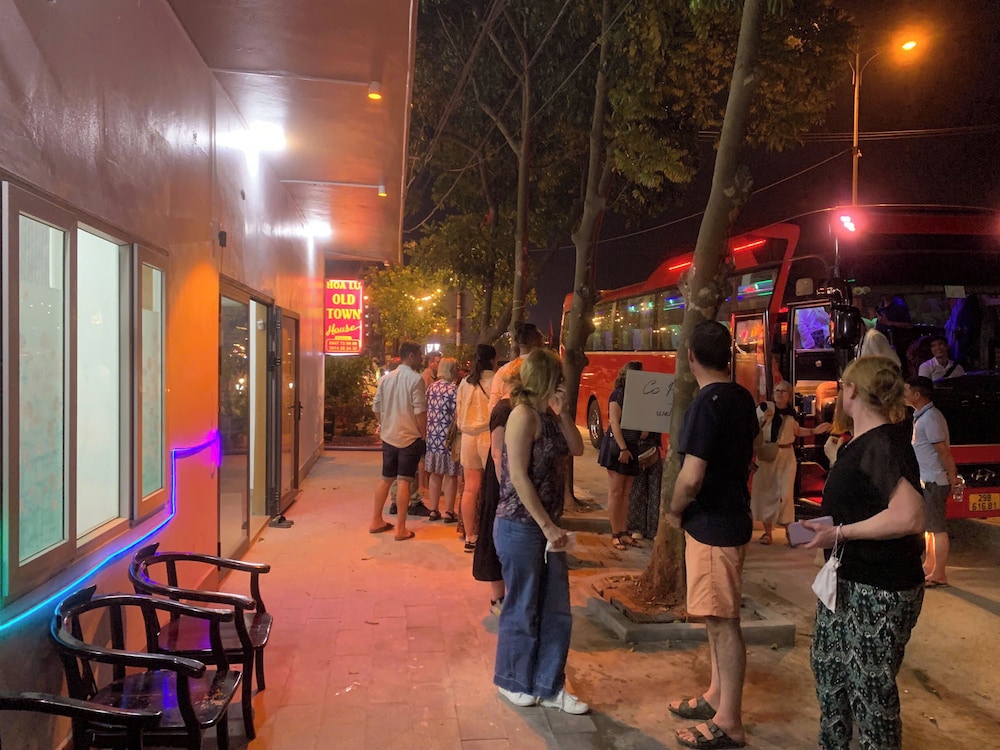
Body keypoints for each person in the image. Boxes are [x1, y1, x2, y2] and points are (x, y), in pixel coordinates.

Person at [803, 356, 926, 750]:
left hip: (879, 587)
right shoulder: (862, 443)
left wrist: (840, 533)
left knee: (871, 693)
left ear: (852, 390)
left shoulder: (883, 443)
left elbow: (909, 516)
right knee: (830, 672)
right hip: (848, 581)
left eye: (842, 386)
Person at [666, 321, 759, 750]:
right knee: (715, 616)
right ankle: (716, 696)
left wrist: (674, 510)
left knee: (723, 623)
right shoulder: (741, 398)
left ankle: (729, 721)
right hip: (733, 516)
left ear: (691, 357)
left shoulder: (705, 405)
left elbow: (691, 476)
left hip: (711, 525)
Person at [493, 348, 587, 714]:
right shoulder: (521, 415)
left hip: (549, 529)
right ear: (544, 379)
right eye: (558, 377)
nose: (563, 383)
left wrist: (563, 413)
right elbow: (518, 477)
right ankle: (512, 680)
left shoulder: (548, 415)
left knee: (556, 608)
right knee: (522, 606)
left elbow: (577, 448)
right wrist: (546, 525)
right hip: (520, 526)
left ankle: (550, 684)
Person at [751, 382, 831, 545]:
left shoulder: (791, 413)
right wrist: (764, 421)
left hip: (787, 455)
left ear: (789, 396)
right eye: (777, 390)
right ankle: (768, 532)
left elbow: (796, 431)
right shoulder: (765, 408)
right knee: (766, 493)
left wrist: (814, 431)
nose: (779, 393)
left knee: (786, 494)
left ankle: (790, 531)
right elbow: (752, 427)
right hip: (768, 455)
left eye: (783, 391)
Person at [904, 376, 959, 588]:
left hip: (935, 481)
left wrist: (953, 477)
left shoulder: (930, 418)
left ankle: (939, 574)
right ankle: (930, 566)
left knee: (937, 529)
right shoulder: (923, 416)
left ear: (917, 395)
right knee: (929, 528)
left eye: (906, 390)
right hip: (928, 480)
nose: (903, 394)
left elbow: (943, 452)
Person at [369, 341, 427, 541]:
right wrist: (423, 434)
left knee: (386, 478)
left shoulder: (386, 379)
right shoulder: (416, 379)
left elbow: (376, 407)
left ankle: (376, 520)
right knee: (404, 480)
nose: (421, 358)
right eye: (419, 355)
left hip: (389, 436)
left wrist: (383, 424)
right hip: (409, 437)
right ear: (411, 356)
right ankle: (400, 529)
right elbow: (419, 411)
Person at [475, 377, 518, 617]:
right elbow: (497, 453)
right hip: (501, 481)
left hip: (506, 479)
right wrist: (507, 487)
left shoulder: (513, 407)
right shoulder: (504, 409)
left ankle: (503, 597)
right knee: (495, 533)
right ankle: (497, 598)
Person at [597, 360, 645, 550]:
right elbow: (614, 423)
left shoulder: (639, 397)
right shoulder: (618, 395)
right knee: (616, 491)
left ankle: (624, 532)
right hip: (618, 447)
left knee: (626, 494)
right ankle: (615, 533)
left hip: (631, 446)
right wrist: (623, 448)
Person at [456, 344, 497, 552]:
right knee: (492, 488)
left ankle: (470, 536)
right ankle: (490, 536)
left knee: (470, 489)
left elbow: (458, 411)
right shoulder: (497, 380)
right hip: (489, 437)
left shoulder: (465, 382)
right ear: (493, 360)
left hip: (467, 438)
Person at [424, 357, 461, 522]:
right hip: (448, 438)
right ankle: (449, 512)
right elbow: (457, 414)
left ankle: (433, 510)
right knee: (451, 475)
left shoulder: (431, 387)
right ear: (452, 370)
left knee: (435, 473)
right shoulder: (453, 390)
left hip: (433, 436)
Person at [489, 321, 545, 411]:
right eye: (542, 340)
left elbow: (493, 406)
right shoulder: (544, 370)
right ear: (536, 342)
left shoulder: (503, 371)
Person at [418, 350, 443, 492]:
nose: (440, 365)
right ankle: (422, 485)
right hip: (427, 421)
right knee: (423, 456)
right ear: (430, 362)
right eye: (438, 362)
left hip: (431, 421)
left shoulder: (434, 377)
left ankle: (427, 485)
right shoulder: (425, 378)